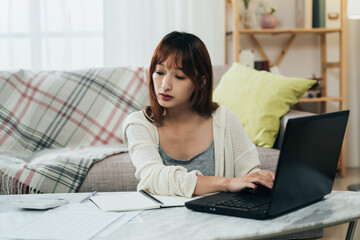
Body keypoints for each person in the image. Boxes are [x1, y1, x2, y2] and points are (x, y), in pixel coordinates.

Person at [122, 31, 274, 198]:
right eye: (159, 72)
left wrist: (263, 179)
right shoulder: (138, 124)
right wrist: (227, 183)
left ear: (201, 82)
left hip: (217, 220)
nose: (164, 86)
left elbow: (249, 174)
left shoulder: (224, 119)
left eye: (179, 77)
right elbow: (153, 177)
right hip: (159, 221)